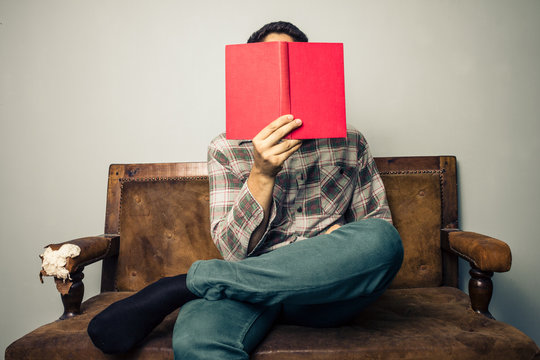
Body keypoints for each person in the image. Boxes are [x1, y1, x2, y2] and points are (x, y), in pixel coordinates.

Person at [87, 21, 403, 359]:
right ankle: (208, 281)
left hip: (323, 292)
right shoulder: (225, 148)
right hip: (244, 289)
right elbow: (233, 252)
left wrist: (331, 249)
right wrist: (262, 172)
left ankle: (186, 283)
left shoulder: (349, 139)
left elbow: (374, 228)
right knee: (197, 341)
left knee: (384, 242)